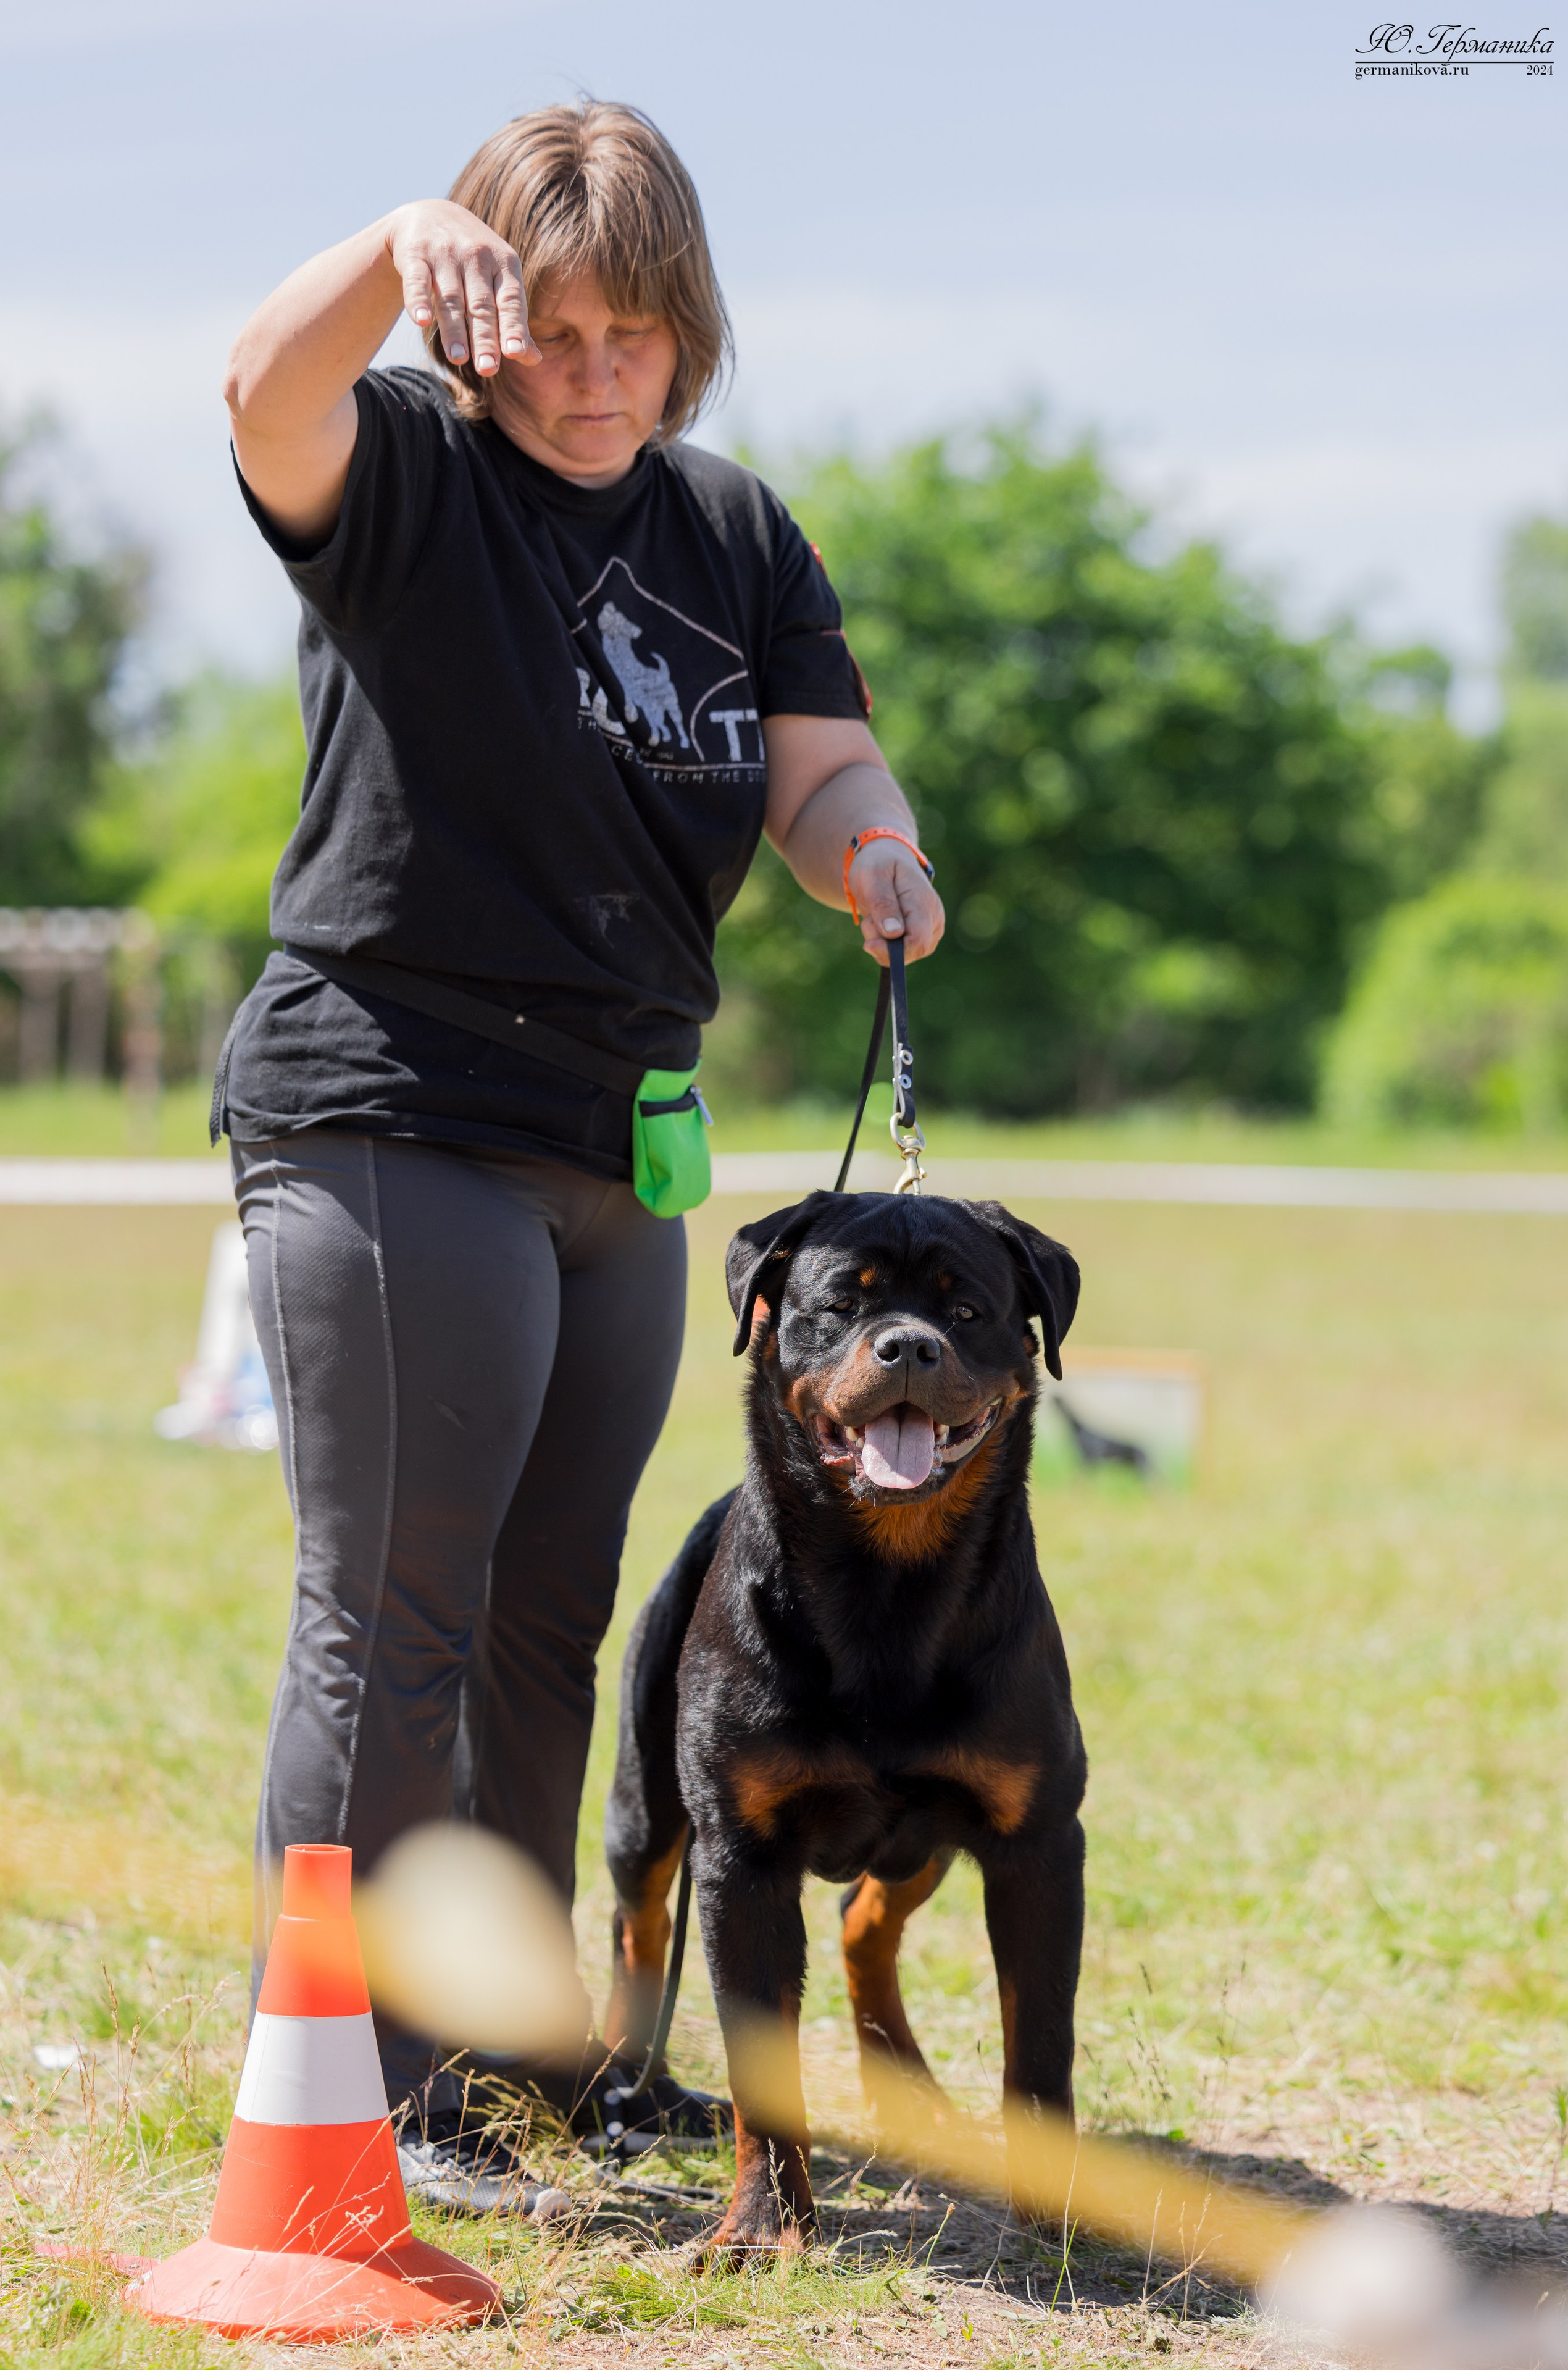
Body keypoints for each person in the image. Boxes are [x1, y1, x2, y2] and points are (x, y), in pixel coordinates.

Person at [220, 99, 945, 2206]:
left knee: (552, 1623)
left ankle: (511, 2073)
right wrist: (390, 234)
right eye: (548, 326)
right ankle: (347, 2077)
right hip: (387, 1108)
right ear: (479, 320)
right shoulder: (404, 468)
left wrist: (872, 854)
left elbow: (822, 773)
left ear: (687, 330)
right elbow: (256, 390)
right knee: (394, 1620)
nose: (592, 369)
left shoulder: (735, 536)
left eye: (635, 331)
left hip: (615, 1140)